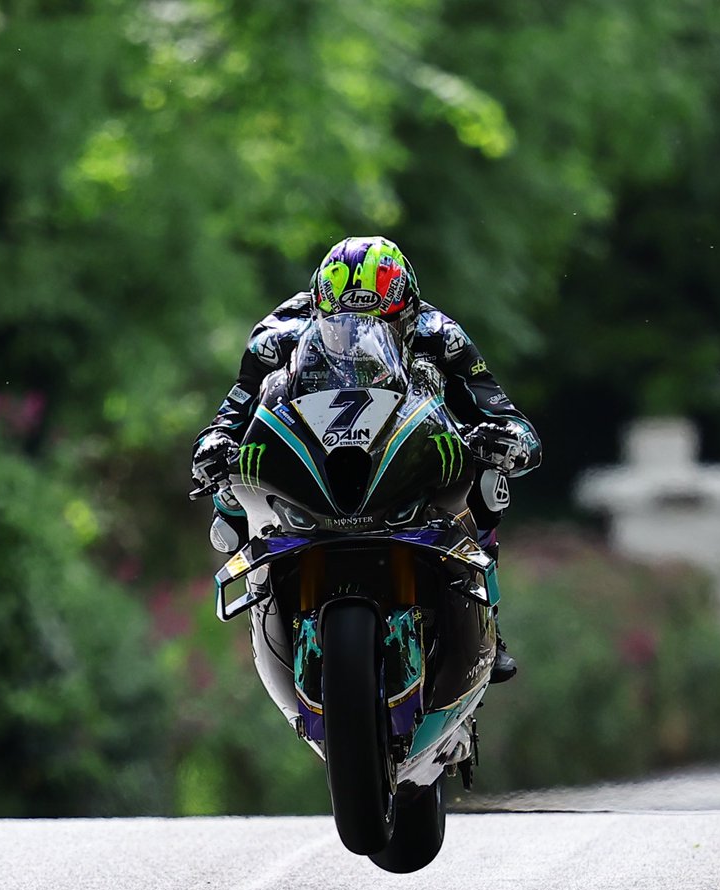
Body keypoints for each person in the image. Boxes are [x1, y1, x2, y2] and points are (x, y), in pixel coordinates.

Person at [191, 235, 541, 682]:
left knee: (491, 482)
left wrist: (506, 440)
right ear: (319, 309)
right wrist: (215, 444)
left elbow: (503, 413)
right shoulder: (277, 335)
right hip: (314, 455)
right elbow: (233, 410)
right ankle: (262, 591)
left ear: (408, 308)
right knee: (228, 492)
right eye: (341, 323)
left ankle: (488, 609)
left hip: (402, 450)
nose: (356, 335)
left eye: (379, 322)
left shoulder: (440, 334)